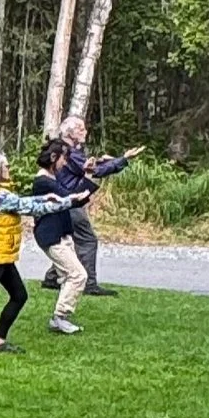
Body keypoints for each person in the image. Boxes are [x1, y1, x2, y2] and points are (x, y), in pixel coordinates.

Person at [0, 154, 84, 356]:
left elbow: (20, 201)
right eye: (5, 165)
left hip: (2, 254)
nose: (8, 167)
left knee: (19, 296)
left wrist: (45, 197)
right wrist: (68, 201)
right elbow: (29, 207)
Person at [41, 116, 143, 297]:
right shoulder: (69, 152)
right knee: (87, 240)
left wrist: (106, 161)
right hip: (71, 201)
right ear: (70, 133)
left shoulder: (63, 149)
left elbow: (87, 167)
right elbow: (95, 171)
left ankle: (52, 277)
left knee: (71, 240)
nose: (85, 132)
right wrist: (123, 159)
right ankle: (88, 283)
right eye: (80, 129)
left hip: (62, 200)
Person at [30, 142, 93, 335]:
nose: (65, 163)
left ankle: (60, 318)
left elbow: (75, 199)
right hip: (51, 236)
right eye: (64, 158)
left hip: (61, 234)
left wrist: (88, 175)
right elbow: (71, 199)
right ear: (53, 158)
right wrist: (87, 179)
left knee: (69, 276)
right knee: (78, 275)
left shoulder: (52, 179)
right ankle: (60, 317)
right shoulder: (43, 182)